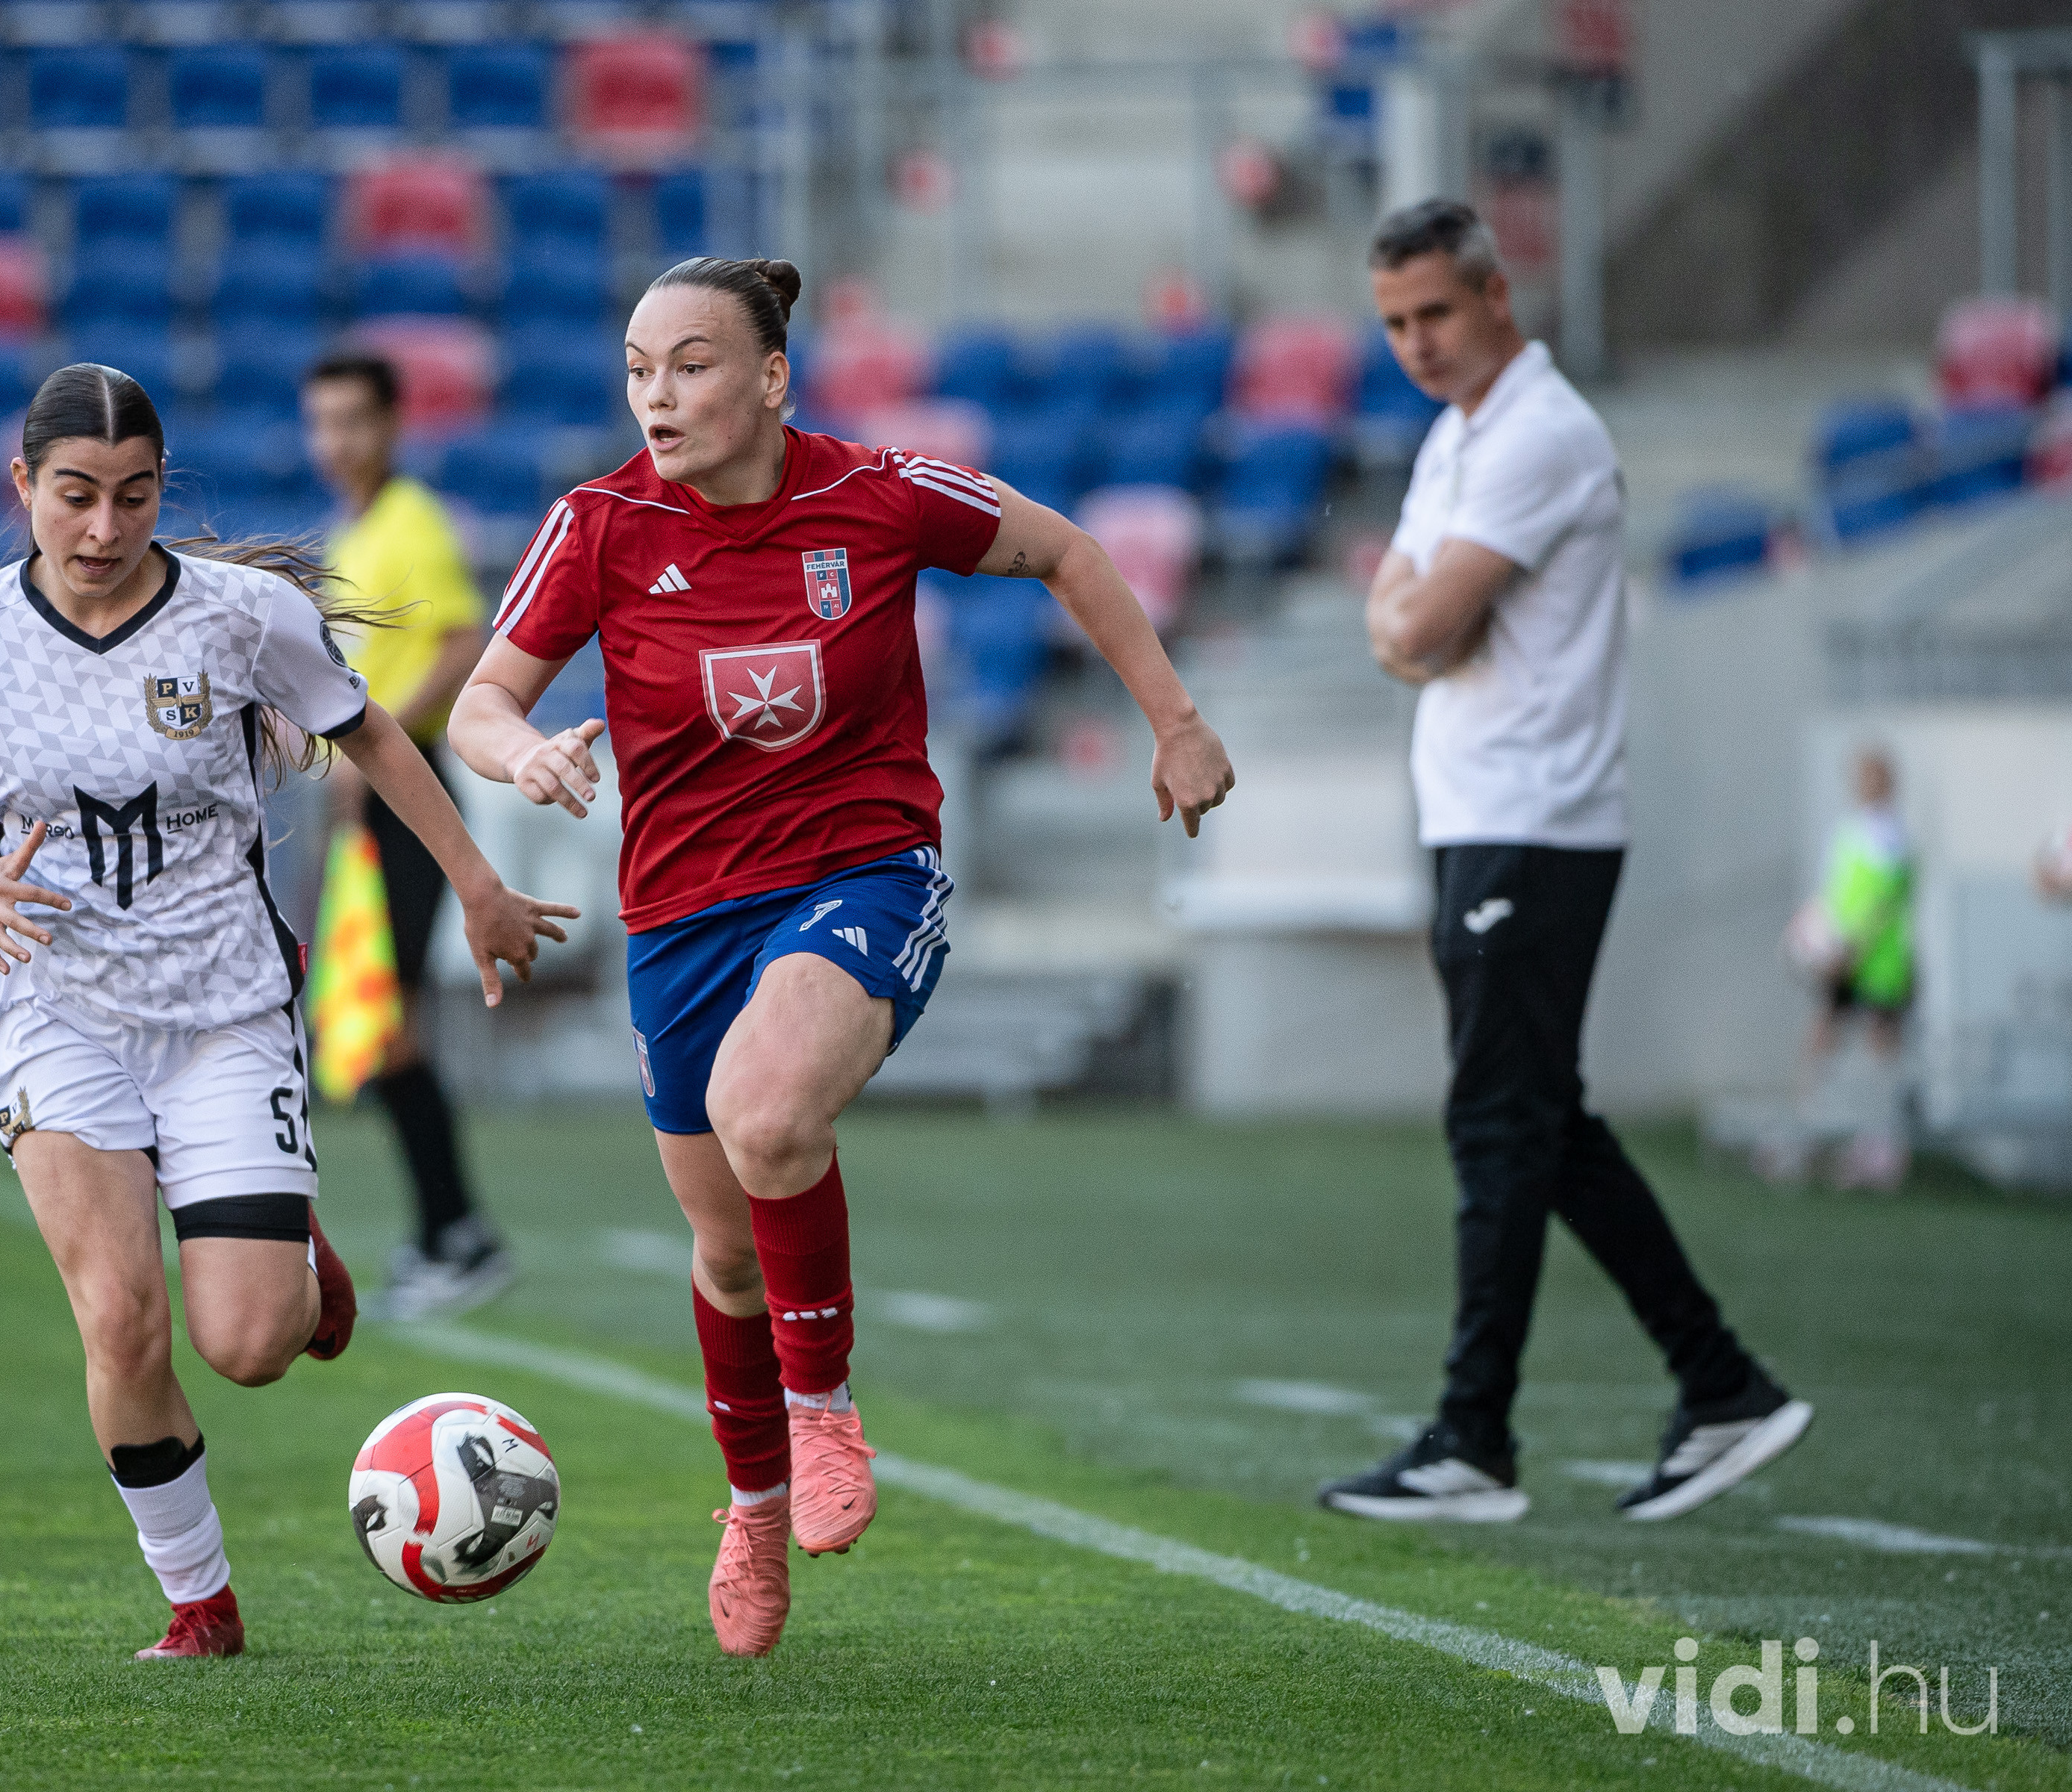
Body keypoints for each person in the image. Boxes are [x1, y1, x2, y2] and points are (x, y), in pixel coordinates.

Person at [447, 257, 1235, 1656]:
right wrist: (528, 757)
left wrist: (1173, 721)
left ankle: (823, 1414)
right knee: (725, 1253)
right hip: (681, 917)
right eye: (637, 370)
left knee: (766, 1115)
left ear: (771, 378)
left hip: (860, 874)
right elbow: (481, 703)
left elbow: (1068, 551)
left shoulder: (881, 495)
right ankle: (754, 1510)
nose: (656, 397)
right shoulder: (600, 525)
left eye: (690, 365)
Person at [0, 364, 573, 1661]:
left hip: (225, 1014)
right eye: (75, 496)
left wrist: (479, 886)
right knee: (120, 1320)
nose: (104, 528)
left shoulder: (243, 617)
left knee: (250, 1345)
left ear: (163, 490)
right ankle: (199, 1603)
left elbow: (374, 735)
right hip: (55, 1013)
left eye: (134, 496)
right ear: (23, 485)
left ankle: (289, 1247)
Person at [1320, 200, 1813, 1526]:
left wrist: (1414, 619)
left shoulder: (1539, 433)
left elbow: (1417, 618)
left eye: (1435, 311)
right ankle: (1720, 1383)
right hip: (1486, 818)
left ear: (1497, 296)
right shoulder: (1460, 437)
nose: (1417, 343)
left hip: (1531, 820)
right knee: (1541, 1119)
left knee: (1501, 1122)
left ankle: (1476, 1436)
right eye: (1395, 323)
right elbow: (1397, 621)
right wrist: (1412, 621)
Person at [300, 350, 515, 1320]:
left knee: (389, 1023)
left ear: (391, 425)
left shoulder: (412, 523)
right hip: (364, 807)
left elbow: (464, 644)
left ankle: (458, 1235)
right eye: (322, 421)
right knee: (372, 1018)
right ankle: (445, 1233)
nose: (336, 440)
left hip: (408, 794)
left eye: (353, 420)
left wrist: (372, 739)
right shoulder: (352, 534)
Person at [1791, 748, 1914, 1190]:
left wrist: (1854, 950)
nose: (1866, 785)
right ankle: (1807, 1131)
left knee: (1882, 1045)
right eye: (1861, 777)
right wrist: (1815, 936)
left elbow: (1885, 902)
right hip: (1841, 958)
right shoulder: (1847, 831)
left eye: (1875, 777)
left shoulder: (1893, 836)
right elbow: (1833, 893)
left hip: (1879, 964)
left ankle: (1880, 1147)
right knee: (1822, 1036)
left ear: (1889, 783)